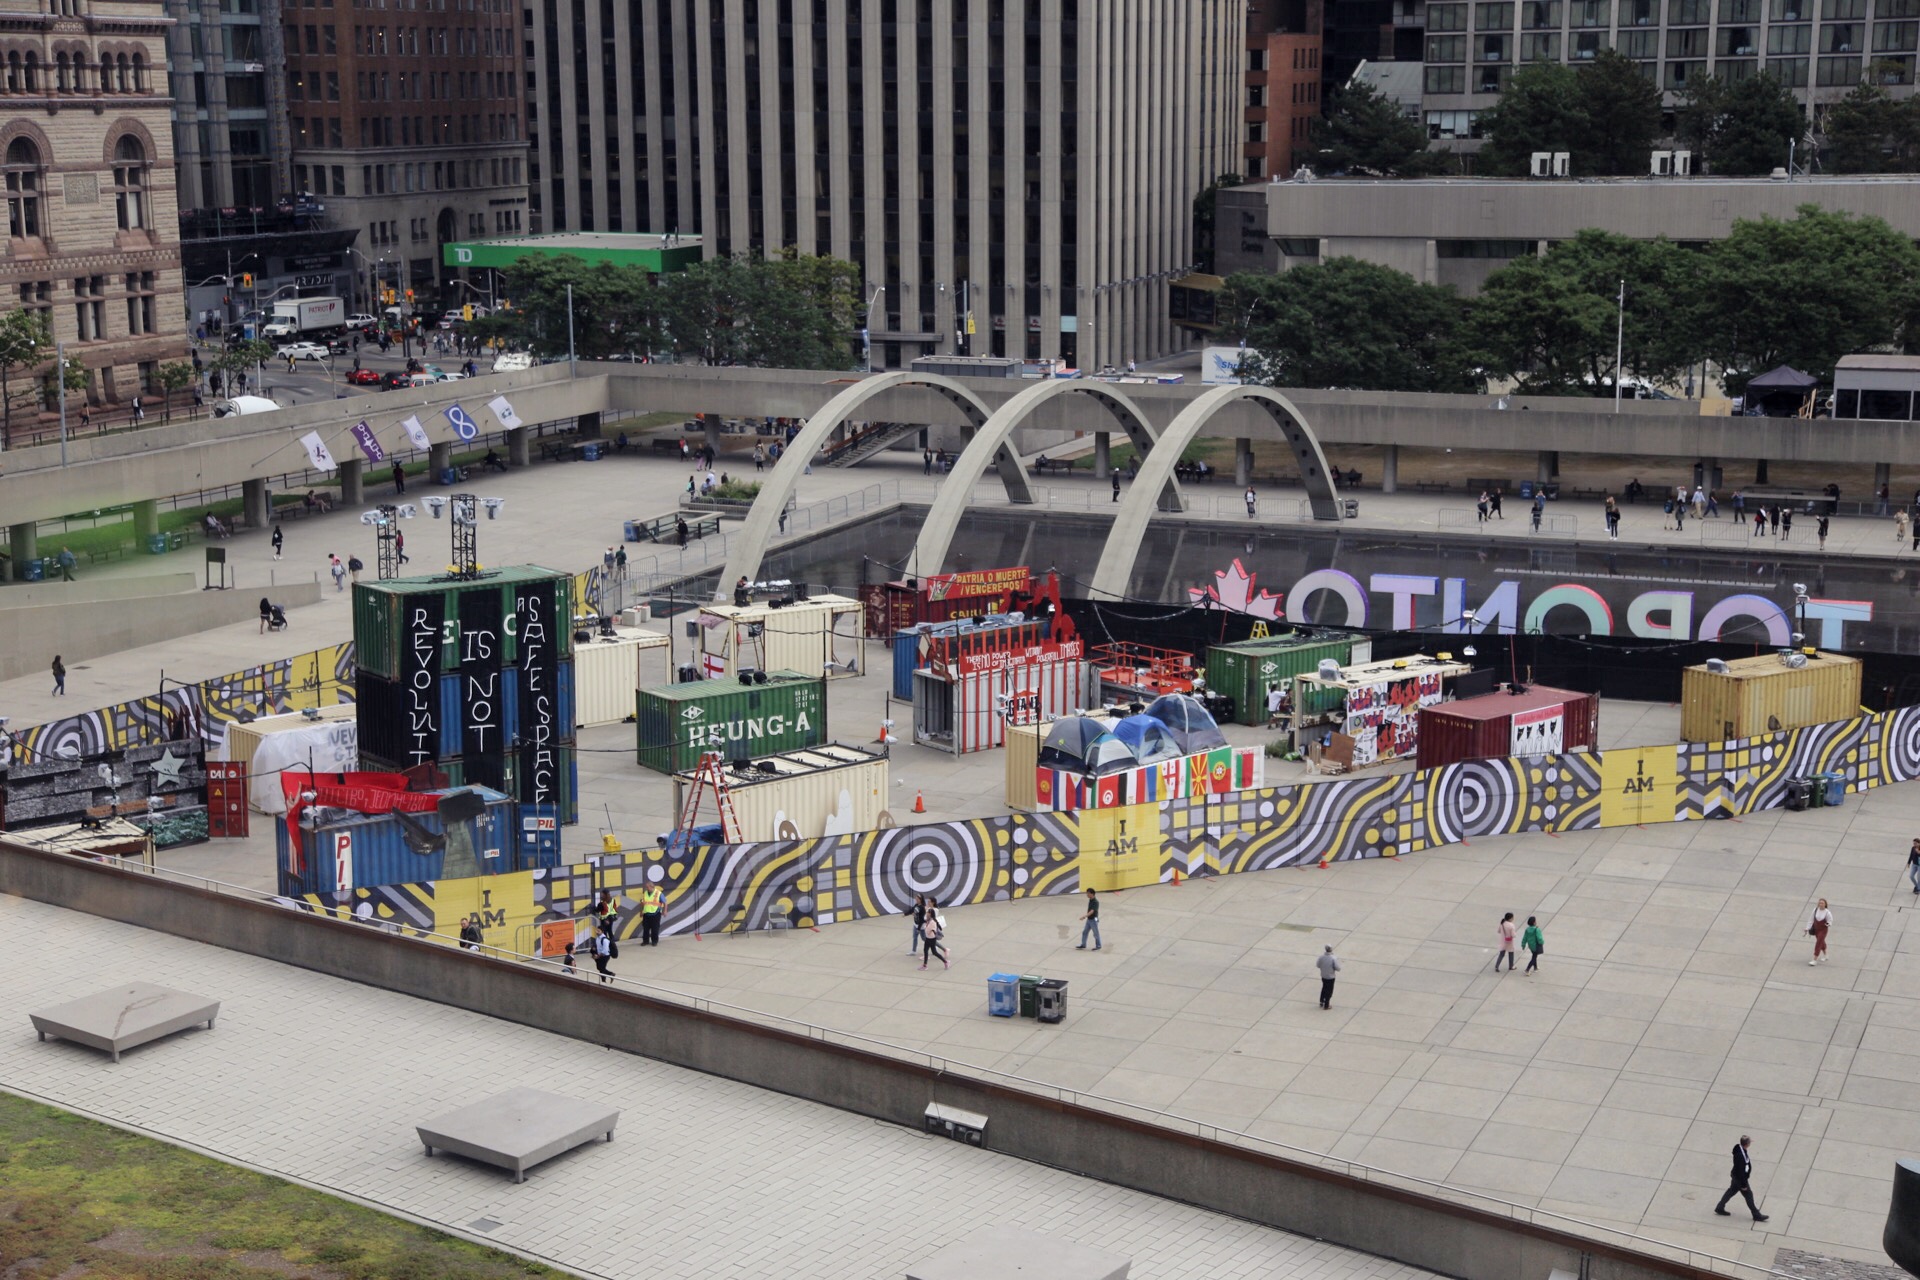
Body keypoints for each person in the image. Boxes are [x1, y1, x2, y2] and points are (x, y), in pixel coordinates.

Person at [1714, 1136, 1769, 1222]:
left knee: (1731, 1191)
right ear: (1747, 1144)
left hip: (1736, 1176)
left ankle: (1720, 1207)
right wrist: (1743, 1184)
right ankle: (1756, 1214)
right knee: (1748, 1195)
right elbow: (1740, 1170)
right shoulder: (1740, 1155)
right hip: (1740, 1179)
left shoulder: (1739, 1149)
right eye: (1750, 1142)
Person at [920, 896, 949, 970]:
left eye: (928, 913)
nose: (927, 914)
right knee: (925, 951)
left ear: (930, 914)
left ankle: (945, 961)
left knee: (934, 952)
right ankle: (925, 965)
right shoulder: (928, 920)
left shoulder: (932, 922)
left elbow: (928, 930)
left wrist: (926, 928)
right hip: (928, 938)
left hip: (931, 939)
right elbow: (924, 918)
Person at [1316, 945, 1340, 1009]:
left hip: (1323, 975)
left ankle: (1321, 1001)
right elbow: (1338, 968)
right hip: (1331, 977)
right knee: (1329, 991)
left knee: (1324, 988)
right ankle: (1326, 1005)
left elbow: (1318, 965)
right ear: (1331, 949)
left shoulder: (1321, 957)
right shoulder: (1333, 958)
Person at [1808, 897, 1831, 964]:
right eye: (1820, 903)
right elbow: (1811, 919)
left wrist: (1827, 924)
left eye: (1822, 903)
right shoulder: (1815, 910)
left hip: (1823, 930)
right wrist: (1807, 928)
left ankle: (1814, 959)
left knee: (1818, 943)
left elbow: (1830, 921)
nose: (1821, 904)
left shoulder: (1827, 912)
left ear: (1825, 904)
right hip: (1816, 929)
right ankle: (1826, 955)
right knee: (1821, 942)